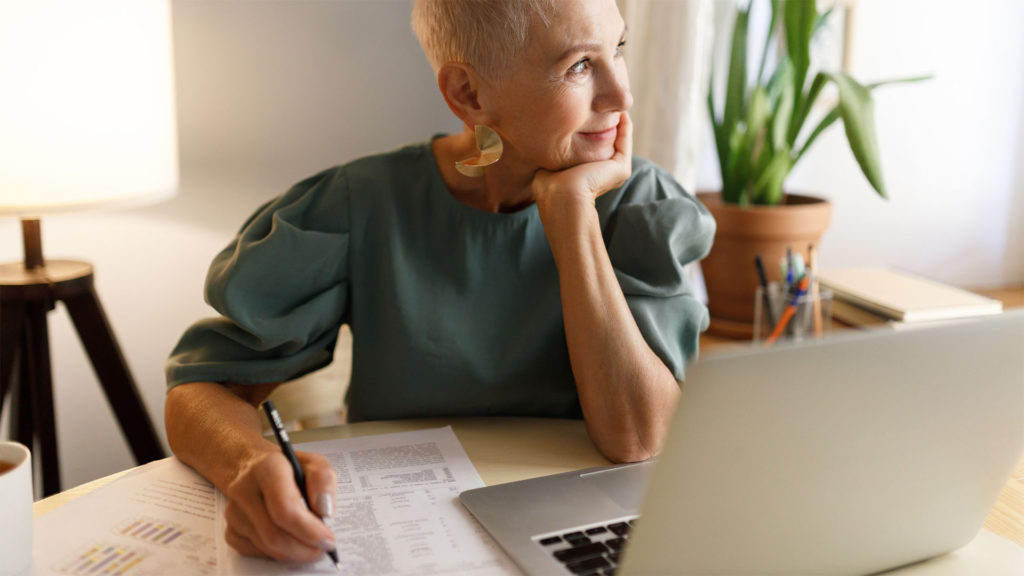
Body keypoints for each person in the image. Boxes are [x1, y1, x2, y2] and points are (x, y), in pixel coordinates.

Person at [164, 0, 715, 563]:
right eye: (578, 65)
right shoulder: (363, 204)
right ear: (469, 95)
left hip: (585, 538)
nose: (621, 96)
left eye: (617, 49)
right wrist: (249, 465)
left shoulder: (642, 204)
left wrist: (573, 216)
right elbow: (202, 389)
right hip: (407, 542)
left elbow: (641, 438)